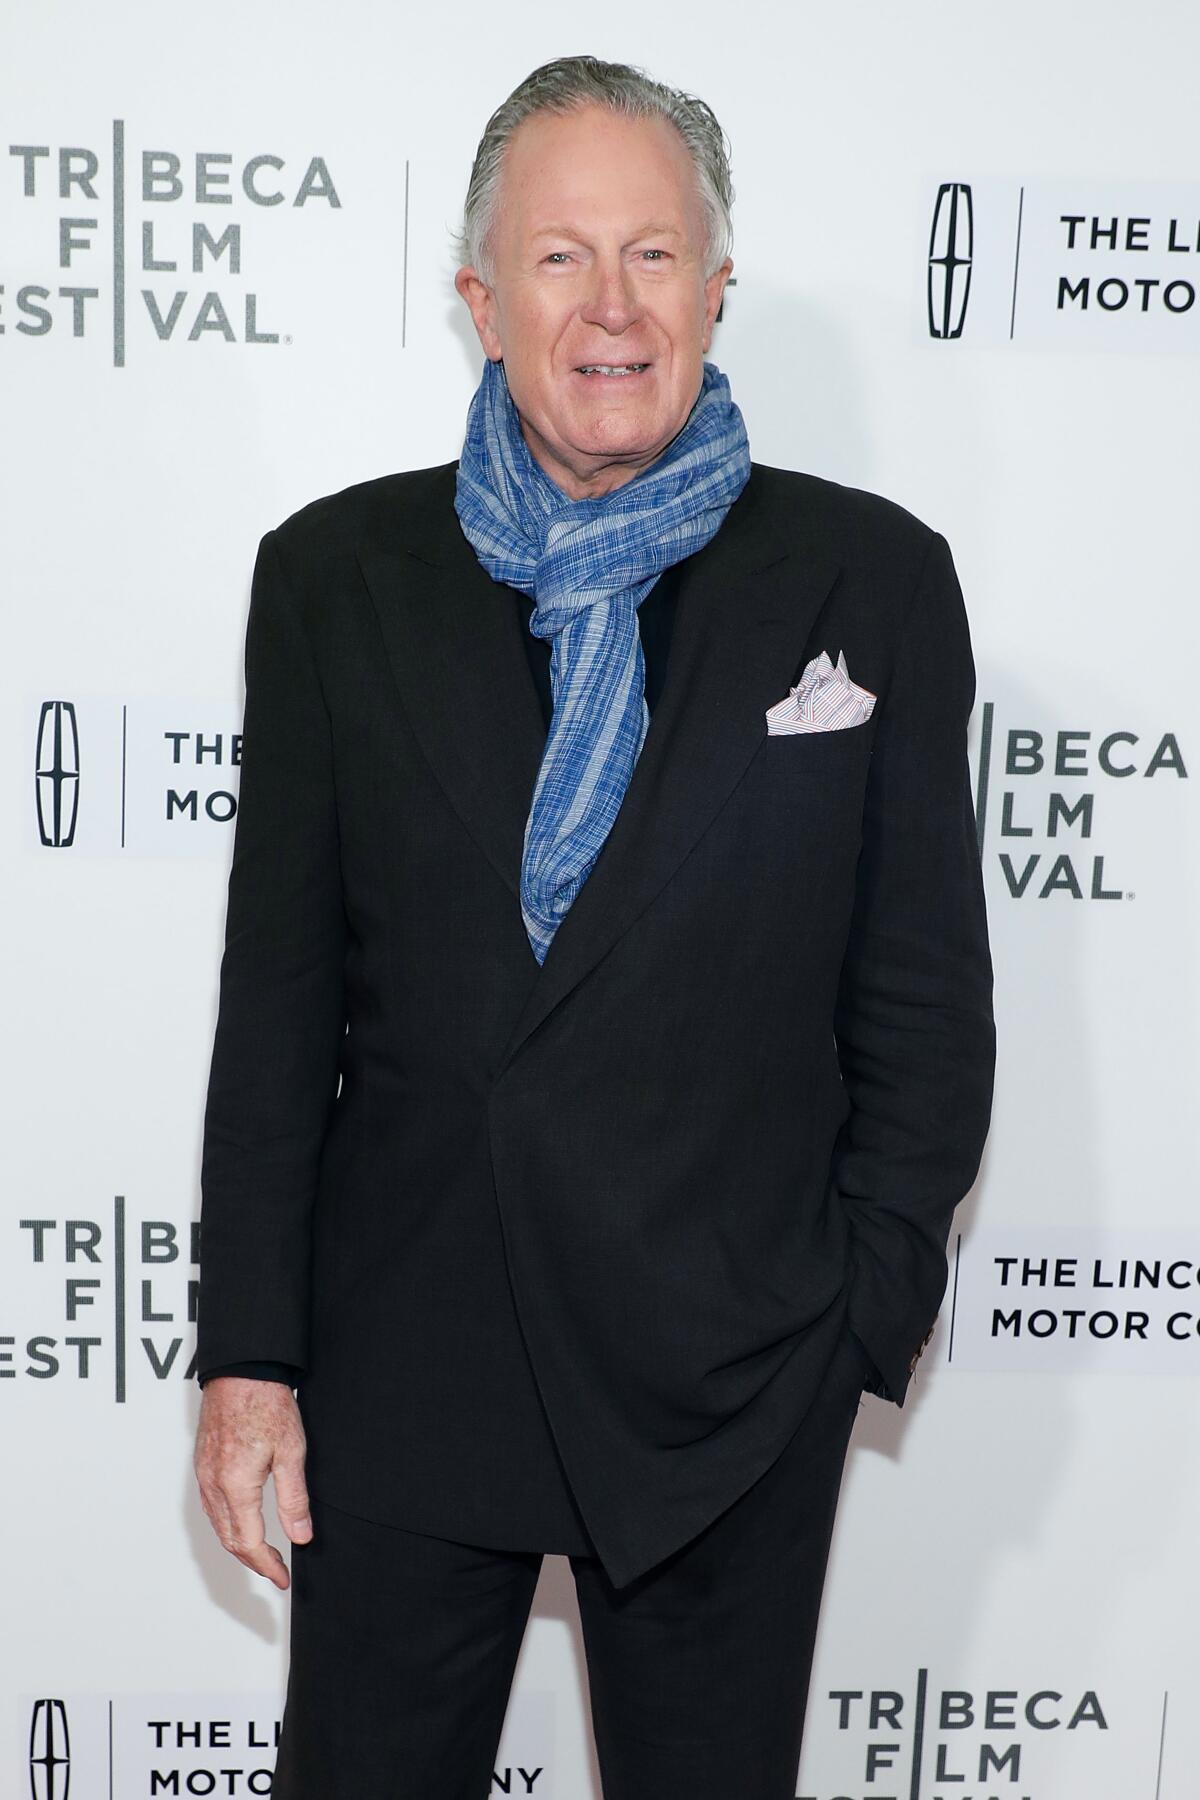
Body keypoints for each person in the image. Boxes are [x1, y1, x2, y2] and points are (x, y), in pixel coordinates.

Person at [192, 53, 996, 1800]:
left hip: (730, 1372)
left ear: (717, 290)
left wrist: (854, 1315)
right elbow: (278, 1006)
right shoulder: (334, 581)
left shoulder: (871, 580)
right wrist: (252, 1356)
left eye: (653, 256)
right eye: (560, 260)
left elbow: (923, 996)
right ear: (482, 301)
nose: (611, 307)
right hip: (409, 1363)